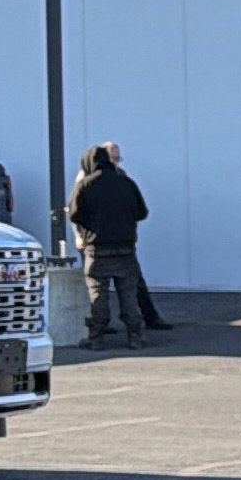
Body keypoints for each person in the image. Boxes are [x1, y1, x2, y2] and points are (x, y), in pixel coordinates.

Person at [68, 144, 168, 344]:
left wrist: (91, 228)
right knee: (128, 294)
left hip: (96, 249)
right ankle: (136, 337)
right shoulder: (126, 183)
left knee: (98, 295)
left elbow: (74, 215)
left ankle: (96, 339)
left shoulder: (85, 185)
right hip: (125, 248)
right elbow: (142, 212)